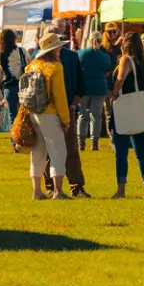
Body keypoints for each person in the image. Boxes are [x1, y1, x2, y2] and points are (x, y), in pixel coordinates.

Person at [25, 28, 72, 200]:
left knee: (37, 152)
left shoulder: (31, 66)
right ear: (53, 49)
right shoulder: (56, 67)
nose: (60, 49)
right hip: (50, 113)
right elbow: (60, 96)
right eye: (58, 47)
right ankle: (58, 191)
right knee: (58, 151)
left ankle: (36, 191)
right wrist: (65, 119)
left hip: (33, 112)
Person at [111, 32, 144, 200]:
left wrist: (114, 93)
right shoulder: (143, 61)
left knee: (121, 151)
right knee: (141, 152)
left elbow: (120, 78)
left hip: (124, 105)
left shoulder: (126, 60)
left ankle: (121, 189)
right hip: (138, 106)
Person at [57, 29, 89, 197]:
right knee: (56, 150)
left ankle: (75, 186)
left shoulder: (71, 57)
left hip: (65, 108)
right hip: (51, 110)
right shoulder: (41, 58)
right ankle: (59, 187)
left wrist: (73, 105)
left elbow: (80, 85)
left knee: (69, 149)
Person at [76, 30, 113, 153]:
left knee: (82, 116)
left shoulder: (80, 54)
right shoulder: (104, 56)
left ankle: (81, 142)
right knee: (96, 116)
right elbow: (108, 72)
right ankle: (94, 143)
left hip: (84, 88)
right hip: (99, 88)